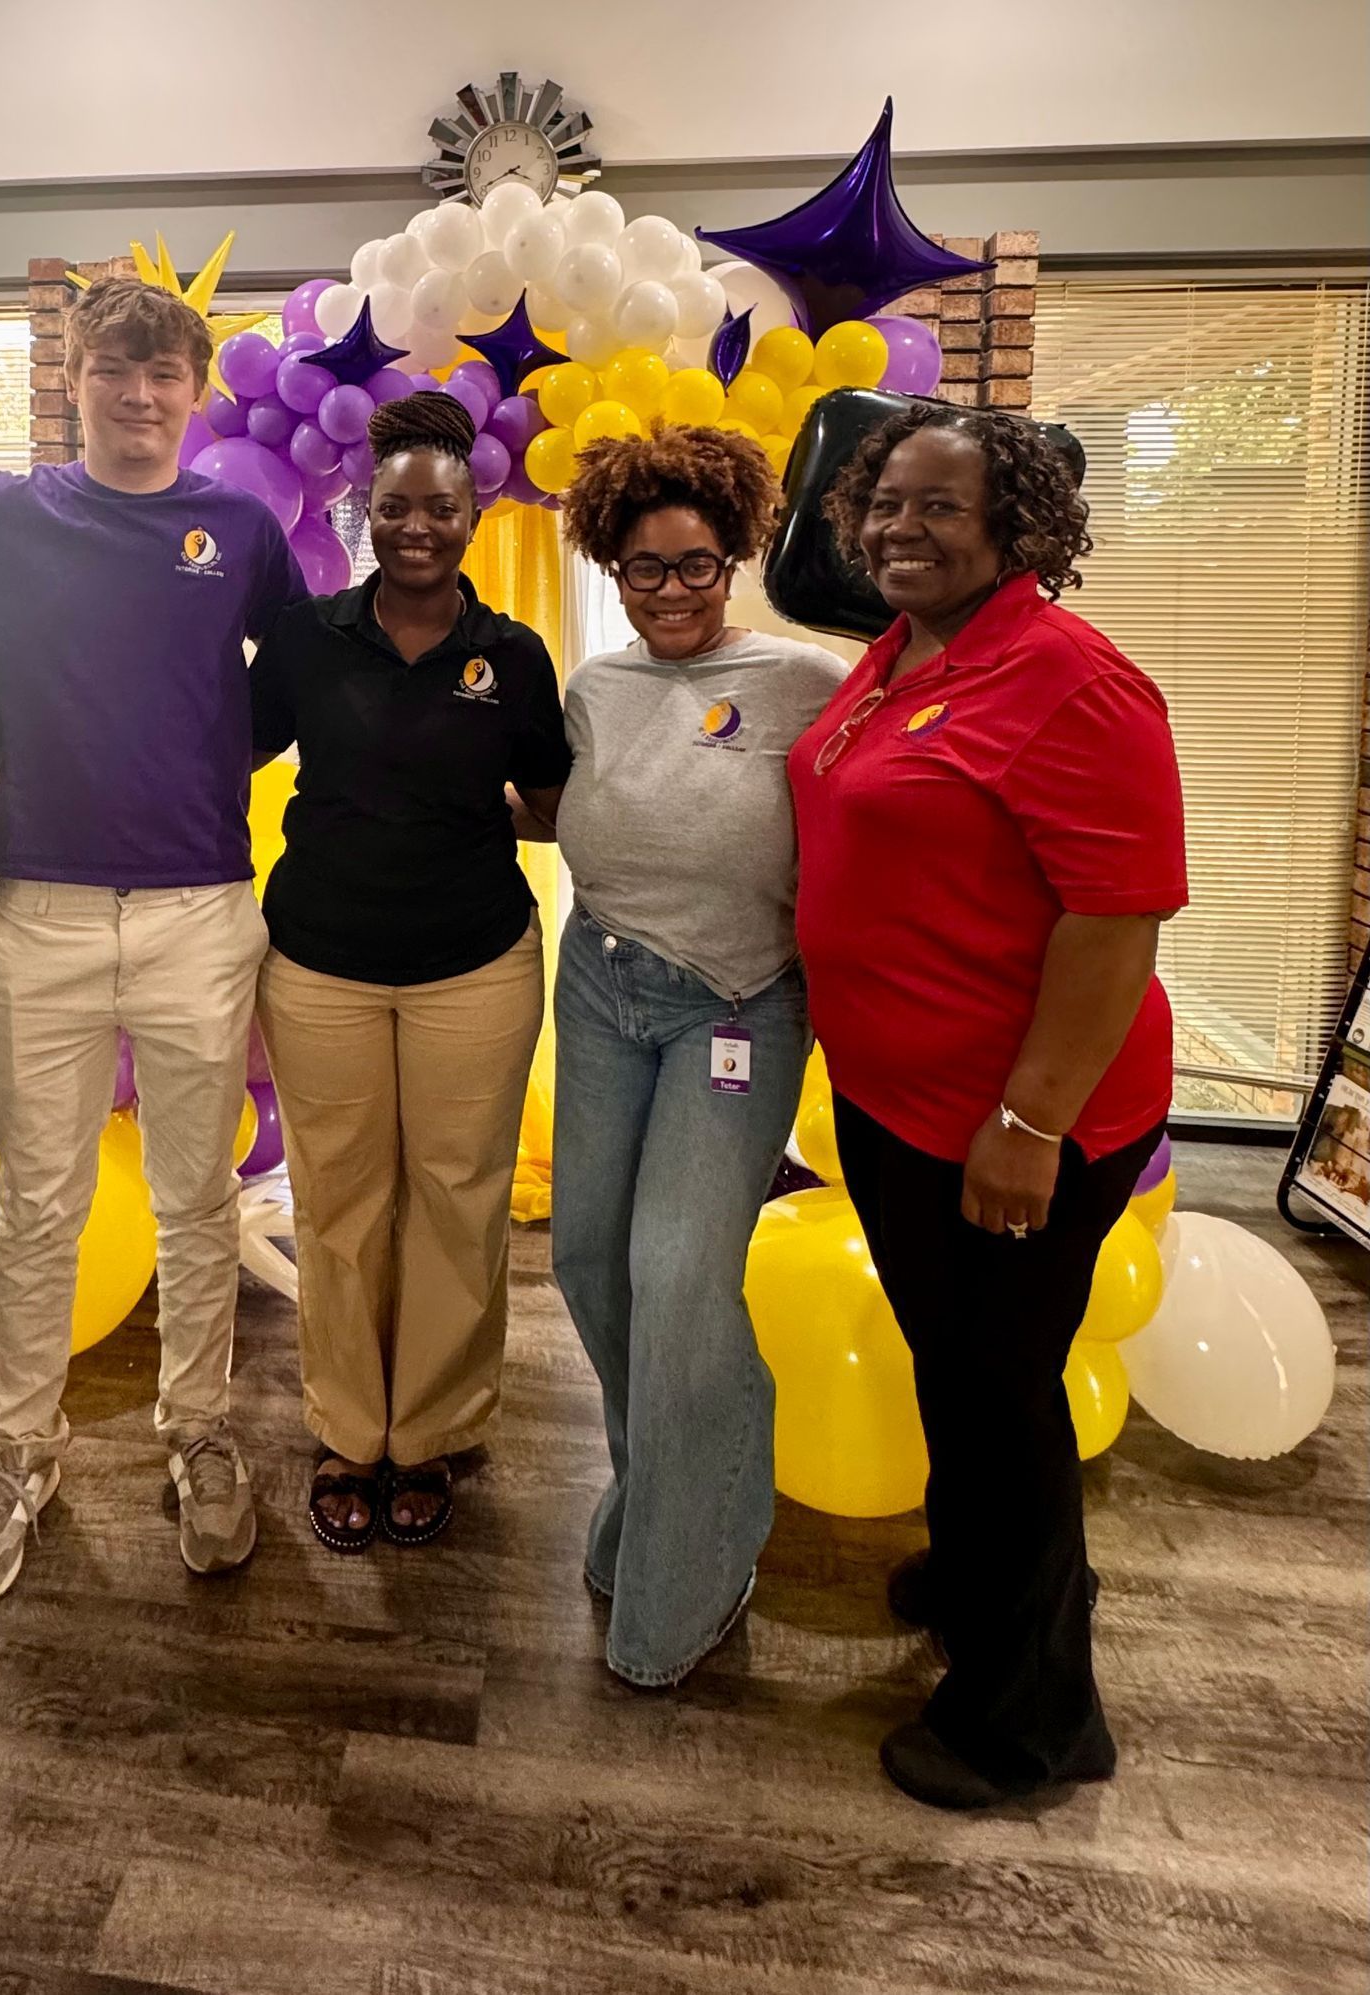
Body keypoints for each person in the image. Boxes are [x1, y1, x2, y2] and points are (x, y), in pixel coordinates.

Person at [790, 403, 1187, 1810]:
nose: (901, 526)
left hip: (1013, 1119)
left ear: (1017, 524)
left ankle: (1033, 1720)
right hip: (900, 1100)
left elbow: (1114, 914)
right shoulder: (902, 656)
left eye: (940, 507)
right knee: (956, 1369)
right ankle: (977, 1580)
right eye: (886, 502)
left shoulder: (1075, 681)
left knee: (1003, 1392)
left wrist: (1028, 1122)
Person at [0, 278, 305, 1602]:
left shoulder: (238, 527)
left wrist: (202, 754)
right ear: (73, 379)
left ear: (194, 391)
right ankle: (19, 1452)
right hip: (36, 910)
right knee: (41, 1203)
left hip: (201, 910)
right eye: (114, 371)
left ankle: (199, 1431)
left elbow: (292, 682)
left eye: (164, 375)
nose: (140, 397)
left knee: (198, 1196)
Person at [550, 426, 847, 1687]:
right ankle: (661, 1482)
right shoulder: (593, 688)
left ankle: (694, 1564)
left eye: (696, 565)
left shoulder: (807, 681)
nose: (671, 591)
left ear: (736, 559)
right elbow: (557, 802)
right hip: (603, 983)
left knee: (677, 1277)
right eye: (644, 569)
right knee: (586, 1264)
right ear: (612, 570)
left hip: (736, 1007)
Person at [250, 393, 570, 1551]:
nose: (418, 526)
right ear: (365, 512)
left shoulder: (514, 654)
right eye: (396, 508)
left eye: (442, 507)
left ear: (475, 514)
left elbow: (548, 805)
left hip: (474, 965)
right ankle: (348, 1431)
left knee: (456, 1197)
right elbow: (224, 743)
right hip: (322, 963)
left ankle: (428, 1432)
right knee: (339, 1204)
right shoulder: (306, 638)